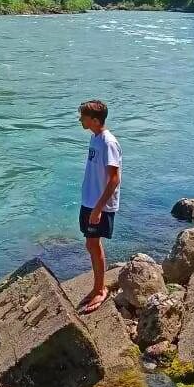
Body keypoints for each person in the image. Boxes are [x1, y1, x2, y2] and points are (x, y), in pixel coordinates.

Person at [77, 99, 122, 314]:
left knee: (93, 244)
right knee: (90, 244)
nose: (80, 120)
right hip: (90, 201)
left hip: (98, 205)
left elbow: (114, 179)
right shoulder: (95, 138)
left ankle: (100, 289)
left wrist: (98, 209)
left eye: (83, 117)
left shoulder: (108, 142)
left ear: (95, 120)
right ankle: (98, 286)